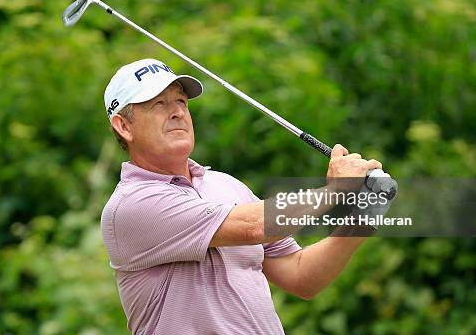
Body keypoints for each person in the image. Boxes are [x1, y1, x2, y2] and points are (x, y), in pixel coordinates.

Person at [100, 58, 383, 334]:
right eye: (158, 104)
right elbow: (254, 227)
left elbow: (301, 276)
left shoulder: (226, 185)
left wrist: (363, 216)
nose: (177, 112)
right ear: (124, 126)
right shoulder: (131, 205)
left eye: (181, 102)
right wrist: (335, 191)